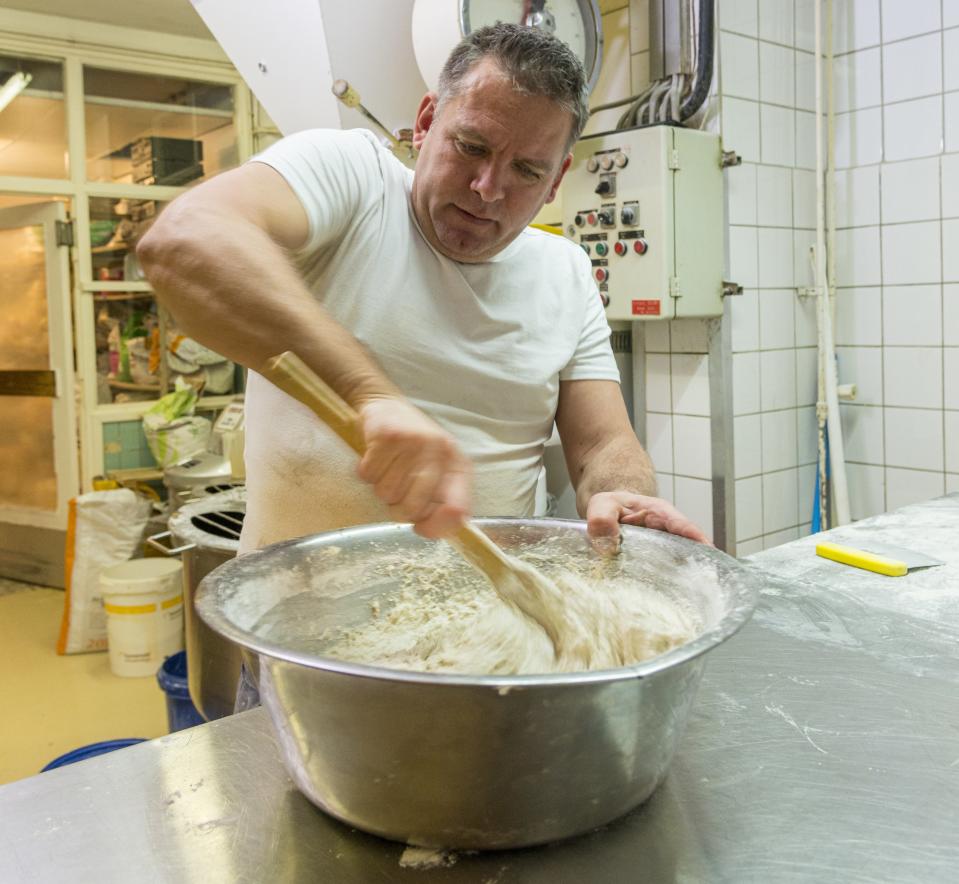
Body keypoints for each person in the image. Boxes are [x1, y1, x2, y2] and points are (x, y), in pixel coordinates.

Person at [138, 23, 708, 557]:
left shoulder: (566, 271)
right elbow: (183, 241)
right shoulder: (354, 179)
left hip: (484, 635)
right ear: (427, 120)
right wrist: (370, 396)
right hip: (304, 631)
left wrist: (620, 492)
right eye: (473, 147)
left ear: (557, 179)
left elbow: (601, 445)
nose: (488, 190)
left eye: (527, 172)